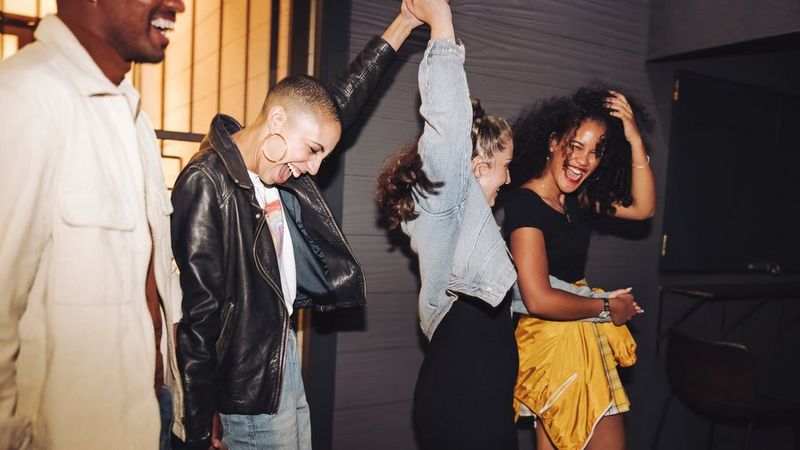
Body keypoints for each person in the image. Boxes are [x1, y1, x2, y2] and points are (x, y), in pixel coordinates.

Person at [170, 4, 422, 450]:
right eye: (313, 151)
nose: (313, 168)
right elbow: (199, 319)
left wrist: (405, 21)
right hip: (247, 383)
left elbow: (340, 101)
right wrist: (196, 426)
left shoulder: (277, 161)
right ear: (277, 122)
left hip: (279, 356)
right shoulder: (207, 181)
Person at [0, 0, 188, 449]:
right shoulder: (22, 99)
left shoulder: (135, 119)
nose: (179, 4)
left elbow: (154, 278)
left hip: (151, 410)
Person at [375, 1, 520, 447]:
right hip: (462, 405)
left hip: (483, 404)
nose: (510, 178)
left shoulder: (475, 234)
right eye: (505, 166)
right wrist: (441, 24)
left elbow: (526, 289)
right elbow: (448, 122)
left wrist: (596, 303)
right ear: (475, 167)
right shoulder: (445, 200)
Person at [503, 86, 655, 450]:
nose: (584, 160)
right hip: (552, 342)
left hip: (582, 334)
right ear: (553, 141)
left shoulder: (576, 199)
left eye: (597, 151)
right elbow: (537, 298)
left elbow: (643, 208)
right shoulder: (525, 206)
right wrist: (606, 309)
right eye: (576, 146)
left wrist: (634, 140)